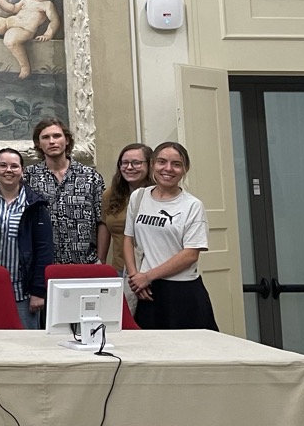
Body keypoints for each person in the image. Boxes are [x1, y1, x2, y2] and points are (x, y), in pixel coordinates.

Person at [123, 142, 219, 330]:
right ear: (152, 165)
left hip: (181, 290)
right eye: (161, 162)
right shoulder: (139, 197)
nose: (168, 168)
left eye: (176, 164)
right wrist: (136, 278)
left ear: (185, 169)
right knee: (150, 352)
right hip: (146, 291)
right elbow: (128, 238)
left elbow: (191, 254)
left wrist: (147, 276)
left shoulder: (192, 205)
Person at [0, 148, 53, 329]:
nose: (9, 170)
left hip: (23, 292)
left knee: (25, 347)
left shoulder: (35, 205)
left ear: (22, 170)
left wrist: (39, 291)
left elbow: (44, 251)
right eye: (3, 165)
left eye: (14, 166)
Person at [22, 118, 105, 265]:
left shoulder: (90, 176)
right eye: (45, 137)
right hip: (43, 264)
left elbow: (102, 221)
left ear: (66, 140)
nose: (52, 141)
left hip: (85, 262)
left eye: (57, 136)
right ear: (38, 144)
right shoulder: (28, 177)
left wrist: (101, 260)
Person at [101, 143, 154, 275]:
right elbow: (104, 226)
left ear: (150, 165)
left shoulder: (158, 194)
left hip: (151, 270)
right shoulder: (110, 194)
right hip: (120, 269)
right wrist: (100, 261)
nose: (129, 167)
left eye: (136, 163)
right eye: (124, 163)